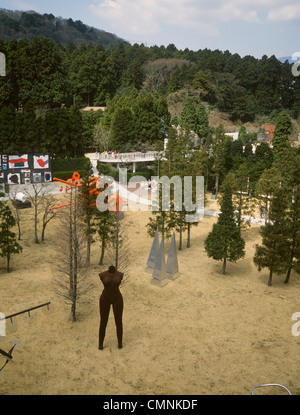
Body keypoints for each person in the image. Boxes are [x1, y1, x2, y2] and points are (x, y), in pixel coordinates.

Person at [98, 265, 124, 350]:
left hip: (117, 298)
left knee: (119, 321)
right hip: (105, 299)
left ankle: (120, 344)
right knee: (103, 321)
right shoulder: (102, 274)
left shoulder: (120, 274)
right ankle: (100, 344)